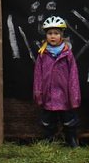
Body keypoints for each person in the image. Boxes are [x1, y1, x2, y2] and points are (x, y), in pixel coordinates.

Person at [33, 16, 81, 147]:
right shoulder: (42, 54)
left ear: (62, 35)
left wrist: (74, 95)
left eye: (56, 33)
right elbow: (38, 75)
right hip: (48, 94)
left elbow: (73, 76)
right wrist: (38, 92)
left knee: (69, 120)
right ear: (46, 35)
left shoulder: (67, 54)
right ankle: (48, 139)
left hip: (64, 94)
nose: (52, 36)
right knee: (47, 120)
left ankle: (71, 139)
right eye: (49, 33)